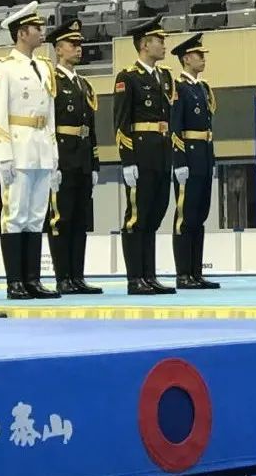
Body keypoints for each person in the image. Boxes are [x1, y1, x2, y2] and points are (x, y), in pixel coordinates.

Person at [0, 1, 60, 299]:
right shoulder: (3, 67)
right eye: (36, 28)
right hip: (18, 147)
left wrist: (54, 155)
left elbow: (50, 113)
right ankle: (15, 281)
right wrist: (3, 154)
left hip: (41, 146)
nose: (42, 32)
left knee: (36, 216)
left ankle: (33, 280)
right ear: (21, 33)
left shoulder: (44, 66)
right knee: (15, 215)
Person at [114, 18, 178, 295]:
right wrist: (127, 160)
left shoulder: (165, 76)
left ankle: (149, 275)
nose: (163, 45)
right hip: (141, 152)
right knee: (137, 217)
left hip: (161, 151)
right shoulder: (128, 77)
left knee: (155, 214)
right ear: (144, 44)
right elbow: (121, 122)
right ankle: (135, 278)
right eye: (158, 40)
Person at [46, 18, 103, 295]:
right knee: (61, 218)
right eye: (72, 44)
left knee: (80, 220)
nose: (78, 48)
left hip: (81, 158)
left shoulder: (83, 84)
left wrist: (95, 162)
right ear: (58, 49)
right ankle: (63, 277)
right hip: (62, 157)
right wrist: (52, 161)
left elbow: (90, 127)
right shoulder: (52, 81)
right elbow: (48, 124)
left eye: (80, 44)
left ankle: (77, 276)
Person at [169, 32, 220, 290]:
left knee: (200, 216)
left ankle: (196, 272)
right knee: (185, 216)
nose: (203, 59)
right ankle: (183, 273)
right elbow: (175, 127)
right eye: (199, 55)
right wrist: (179, 161)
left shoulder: (201, 88)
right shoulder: (178, 88)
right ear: (186, 58)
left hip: (203, 156)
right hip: (188, 156)